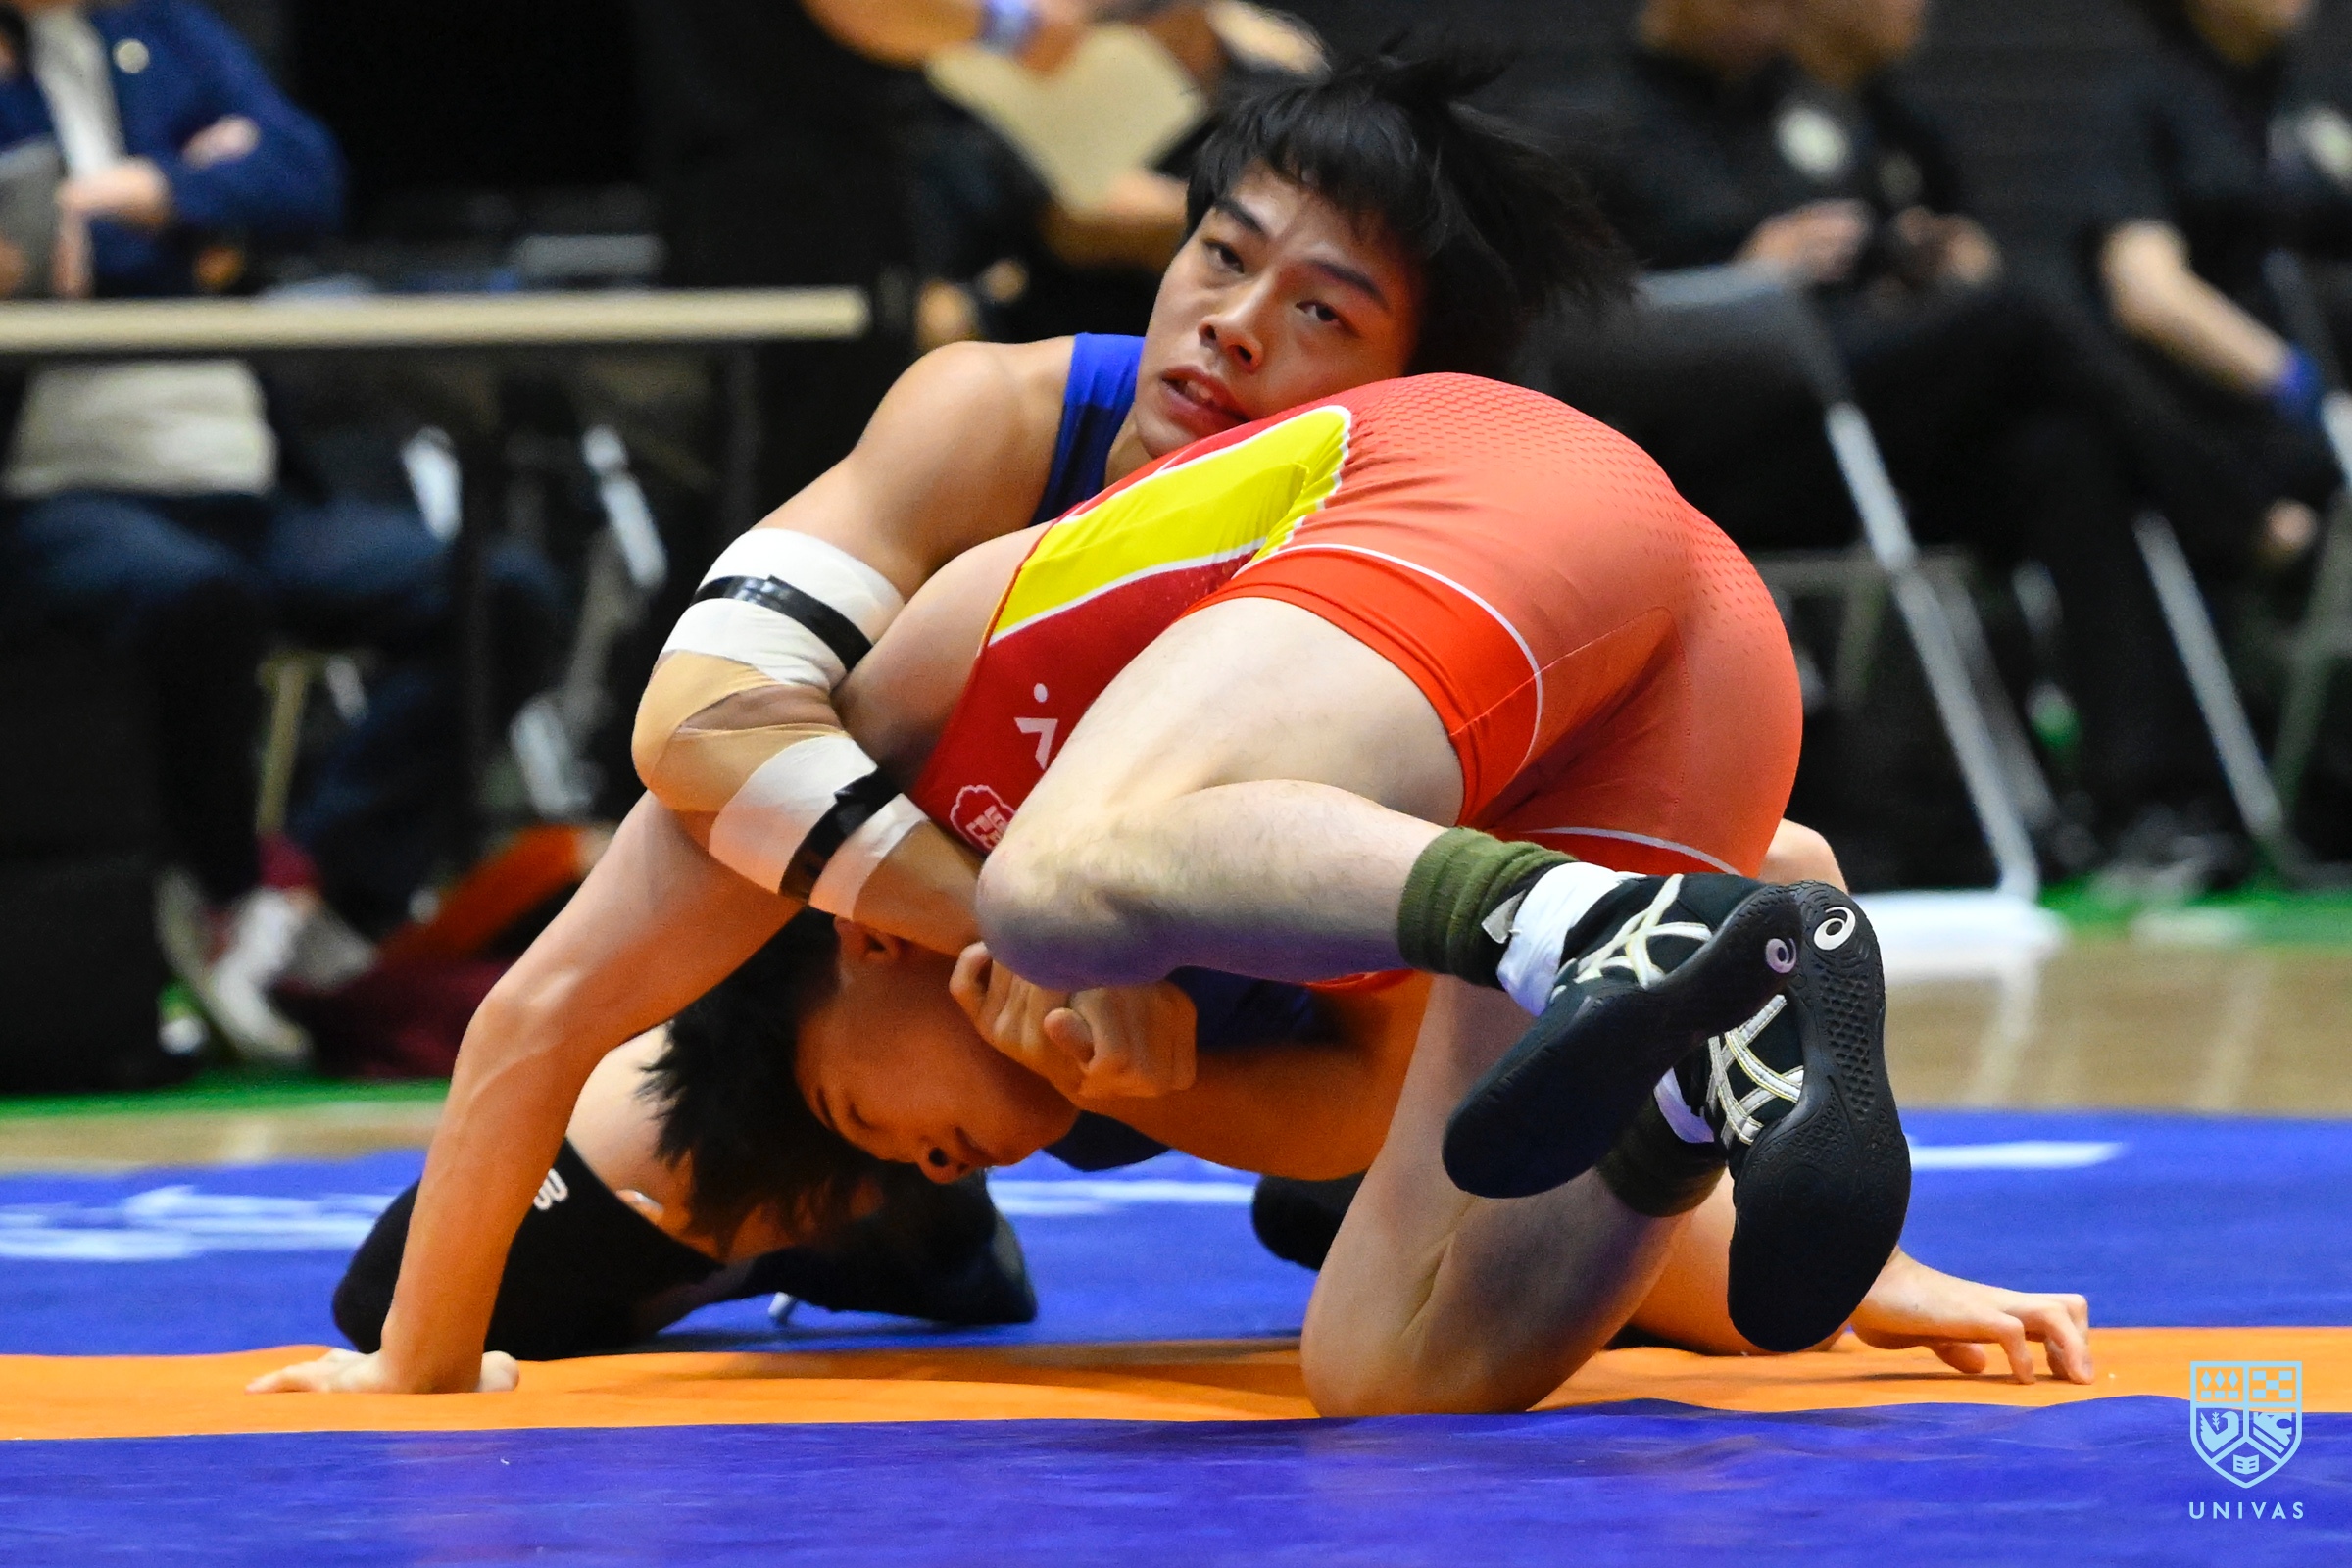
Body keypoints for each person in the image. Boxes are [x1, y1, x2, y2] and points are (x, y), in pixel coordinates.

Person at [247, 53, 1630, 1397]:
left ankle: (1079, 1186)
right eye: (1221, 255)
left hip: (1203, 1040)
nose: (1234, 325)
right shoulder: (1001, 425)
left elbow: (1371, 1087)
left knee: (1643, 1279)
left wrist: (1118, 1058)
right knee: (424, 1286)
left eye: (1321, 312)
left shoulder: (1428, 578)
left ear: (1410, 394)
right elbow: (698, 726)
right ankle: (892, 1220)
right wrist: (1032, 934)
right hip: (912, 967)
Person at [330, 903, 2088, 1384]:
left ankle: (1738, 1096)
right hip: (1182, 1055)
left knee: (1402, 1297)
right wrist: (425, 1361)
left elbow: (1420, 1110)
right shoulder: (1015, 1080)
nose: (937, 1152)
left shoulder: (1109, 870)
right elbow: (393, 1279)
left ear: (869, 938)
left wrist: (1860, 1266)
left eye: (877, 1122)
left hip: (1442, 925)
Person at [1516, 0, 2227, 879]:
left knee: (2061, 453)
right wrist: (1748, 278)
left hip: (1872, 422)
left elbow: (1869, 246)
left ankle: (2145, 801)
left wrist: (1910, 260)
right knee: (2022, 316)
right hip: (1732, 449)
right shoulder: (1588, 131)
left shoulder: (1816, 112)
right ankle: (2235, 506)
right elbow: (1582, 337)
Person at [0, 0, 555, 1058]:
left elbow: (306, 176)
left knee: (499, 592)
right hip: (58, 490)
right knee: (195, 596)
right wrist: (201, 236)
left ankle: (319, 902)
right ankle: (225, 886)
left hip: (245, 484)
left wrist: (145, 200)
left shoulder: (164, 30)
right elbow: (23, 254)